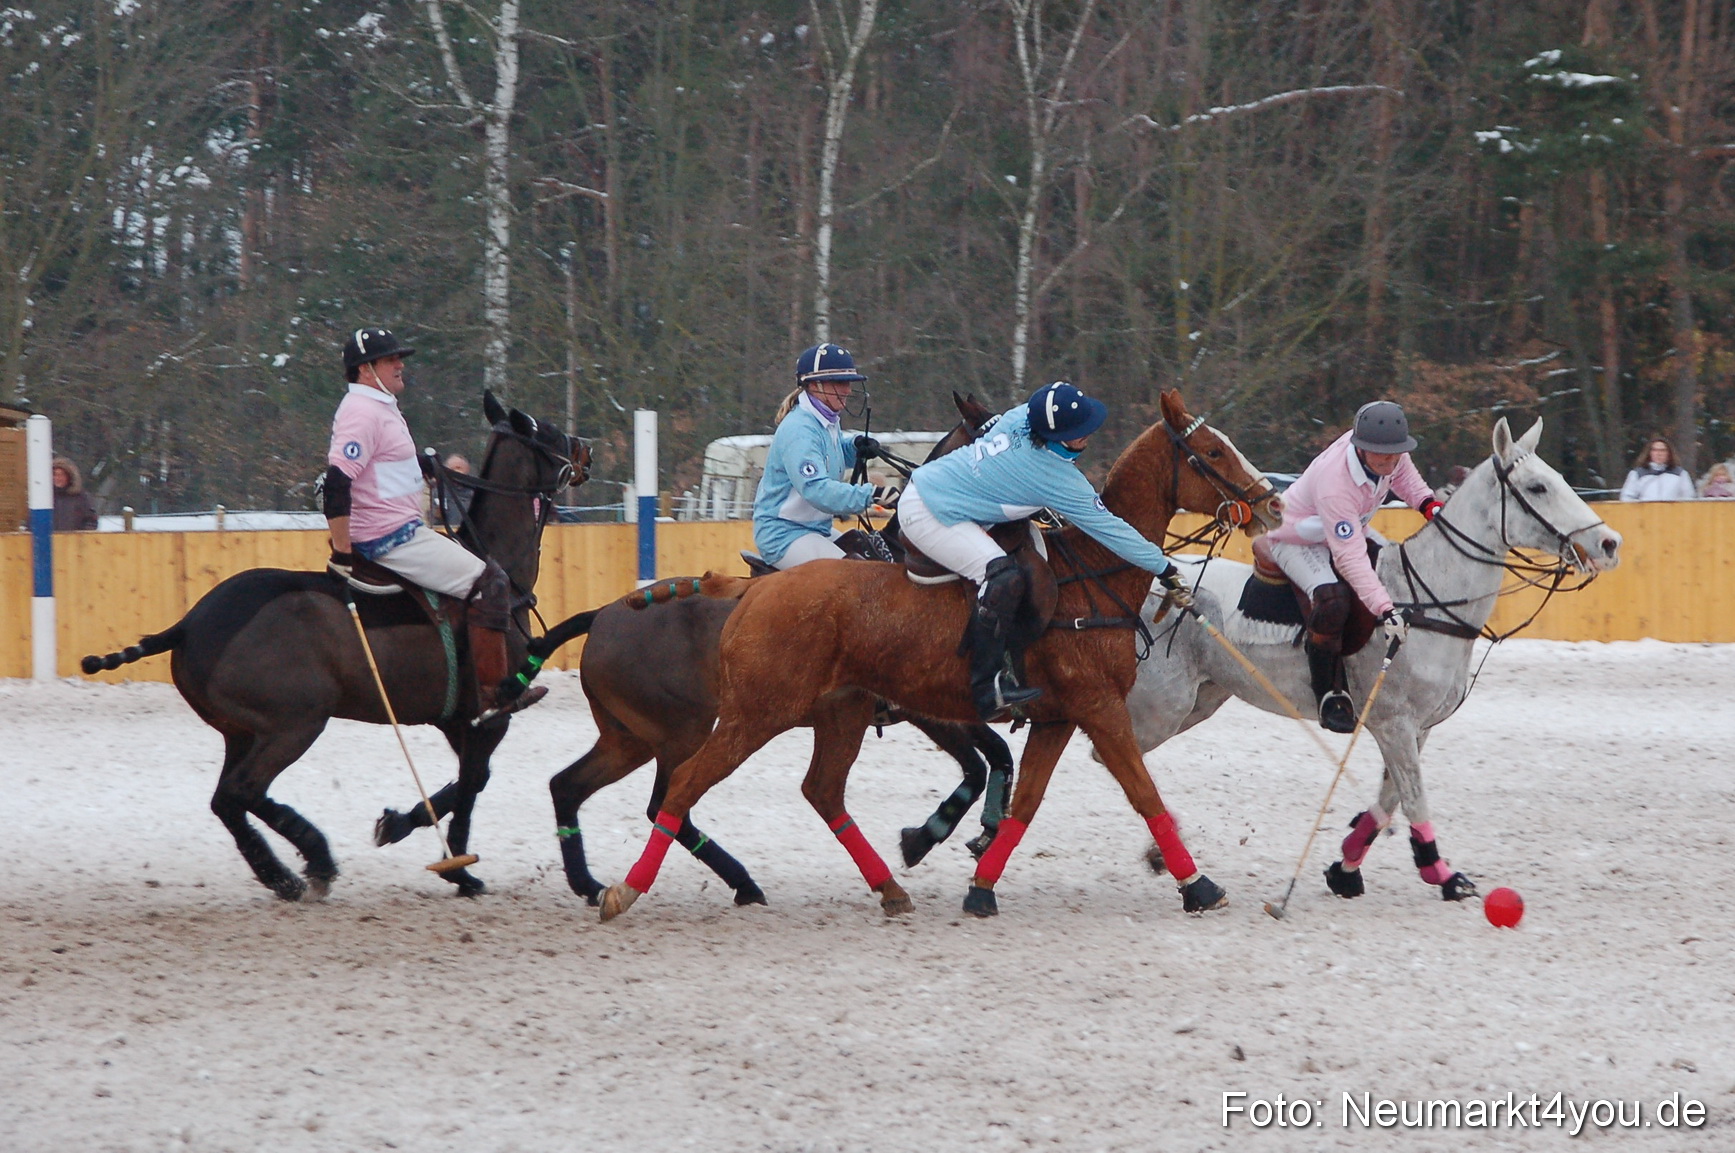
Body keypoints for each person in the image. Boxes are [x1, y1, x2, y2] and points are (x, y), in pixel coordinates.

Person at [900, 381, 1189, 721]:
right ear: (1053, 436)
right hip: (929, 512)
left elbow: (1008, 415)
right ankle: (985, 687)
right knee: (1002, 577)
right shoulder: (1055, 477)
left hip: (941, 484)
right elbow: (1112, 531)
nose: (1087, 436)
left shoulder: (1023, 418)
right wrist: (1163, 568)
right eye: (1078, 432)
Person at [323, 326, 544, 720]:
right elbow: (339, 483)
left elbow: (381, 470)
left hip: (399, 529)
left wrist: (426, 467)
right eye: (391, 359)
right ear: (365, 368)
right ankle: (494, 693)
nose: (400, 364)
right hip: (389, 539)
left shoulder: (380, 405)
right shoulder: (362, 412)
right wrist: (342, 553)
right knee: (491, 582)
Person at [1263, 401, 1440, 732]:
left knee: (1399, 569)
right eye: (1381, 457)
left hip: (1349, 528)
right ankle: (1329, 693)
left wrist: (1429, 506)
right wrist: (1385, 608)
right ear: (1360, 448)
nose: (1389, 463)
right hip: (1299, 537)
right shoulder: (1335, 483)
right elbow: (1349, 556)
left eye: (1395, 455)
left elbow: (1405, 477)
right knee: (1333, 600)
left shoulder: (1389, 451)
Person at [751, 343, 896, 569]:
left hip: (815, 529)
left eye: (848, 383)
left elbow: (827, 455)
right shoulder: (800, 430)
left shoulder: (825, 420)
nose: (848, 390)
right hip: (784, 535)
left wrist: (855, 447)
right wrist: (872, 494)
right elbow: (817, 490)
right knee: (854, 578)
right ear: (815, 385)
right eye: (839, 383)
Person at [1619, 437, 1696, 502]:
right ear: (1650, 452)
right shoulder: (1637, 474)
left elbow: (1688, 498)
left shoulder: (1681, 474)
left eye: (1662, 450)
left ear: (1669, 453)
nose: (1658, 453)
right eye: (1655, 450)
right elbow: (1627, 497)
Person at [51, 456, 98, 531]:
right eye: (55, 474)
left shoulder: (81, 497)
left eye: (62, 475)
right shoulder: (44, 498)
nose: (58, 478)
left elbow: (91, 521)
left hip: (75, 541)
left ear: (69, 477)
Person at [429, 453, 473, 529]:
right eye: (452, 469)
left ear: (467, 469)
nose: (456, 472)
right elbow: (436, 523)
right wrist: (437, 514)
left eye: (459, 468)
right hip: (450, 533)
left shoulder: (476, 490)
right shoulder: (439, 491)